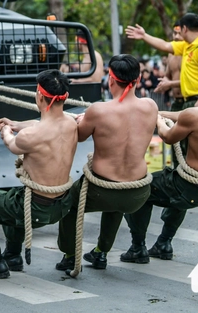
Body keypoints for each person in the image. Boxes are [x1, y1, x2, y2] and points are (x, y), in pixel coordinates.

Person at [121, 54, 198, 263]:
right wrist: (161, 113)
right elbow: (194, 116)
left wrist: (159, 122)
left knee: (138, 189)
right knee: (175, 187)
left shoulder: (195, 116)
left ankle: (137, 248)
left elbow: (168, 137)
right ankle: (163, 243)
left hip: (191, 188)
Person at [0, 69, 78, 278]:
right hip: (62, 205)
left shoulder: (30, 136)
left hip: (36, 209)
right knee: (11, 195)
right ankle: (12, 255)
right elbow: (41, 125)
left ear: (39, 95)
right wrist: (16, 124)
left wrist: (8, 131)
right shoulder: (72, 124)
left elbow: (12, 143)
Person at [54, 55, 156, 272]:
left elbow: (79, 136)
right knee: (117, 203)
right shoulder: (151, 106)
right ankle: (101, 252)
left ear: (110, 79)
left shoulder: (98, 110)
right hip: (138, 192)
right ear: (137, 80)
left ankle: (71, 254)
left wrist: (82, 120)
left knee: (68, 202)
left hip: (101, 190)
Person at [127, 13, 198, 159]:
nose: (178, 33)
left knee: (191, 146)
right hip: (186, 101)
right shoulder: (187, 46)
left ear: (185, 29)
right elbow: (165, 45)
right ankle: (178, 176)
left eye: (179, 30)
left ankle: (190, 178)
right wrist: (144, 36)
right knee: (178, 145)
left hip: (196, 100)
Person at [154, 23, 184, 112]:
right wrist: (162, 85)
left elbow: (191, 80)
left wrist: (170, 84)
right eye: (175, 33)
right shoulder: (171, 54)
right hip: (176, 101)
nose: (176, 37)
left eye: (180, 34)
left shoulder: (190, 52)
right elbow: (167, 75)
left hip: (191, 101)